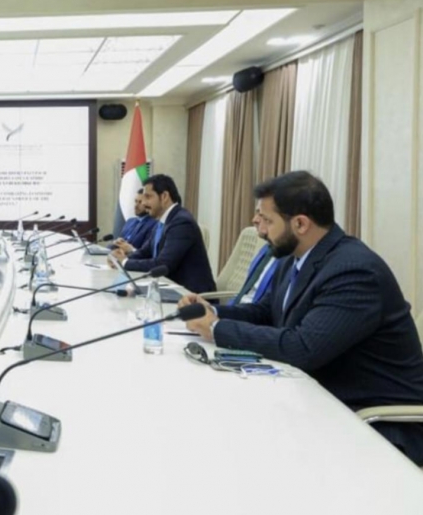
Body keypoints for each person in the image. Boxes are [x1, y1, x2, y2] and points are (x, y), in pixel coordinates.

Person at [180, 171, 423, 465]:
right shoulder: (294, 257)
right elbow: (267, 312)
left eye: (267, 220)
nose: (260, 230)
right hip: (318, 397)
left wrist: (216, 329)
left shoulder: (354, 271)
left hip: (377, 422)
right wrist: (212, 312)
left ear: (300, 223)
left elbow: (303, 348)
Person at [110, 174, 216, 294]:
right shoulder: (161, 221)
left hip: (191, 294)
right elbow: (145, 252)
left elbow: (163, 264)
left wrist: (125, 262)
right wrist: (120, 258)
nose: (143, 203)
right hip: (168, 288)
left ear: (164, 196)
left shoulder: (181, 222)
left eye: (148, 197)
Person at [227, 205, 277, 305]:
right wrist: (214, 310)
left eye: (262, 215)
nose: (254, 220)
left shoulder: (288, 259)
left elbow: (264, 308)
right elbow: (243, 294)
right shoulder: (266, 250)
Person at [112, 188, 158, 252]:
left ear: (147, 203)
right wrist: (117, 242)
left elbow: (147, 252)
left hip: (134, 256)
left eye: (140, 202)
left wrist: (130, 249)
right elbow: (119, 241)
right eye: (135, 201)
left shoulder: (154, 224)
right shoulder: (130, 221)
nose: (136, 205)